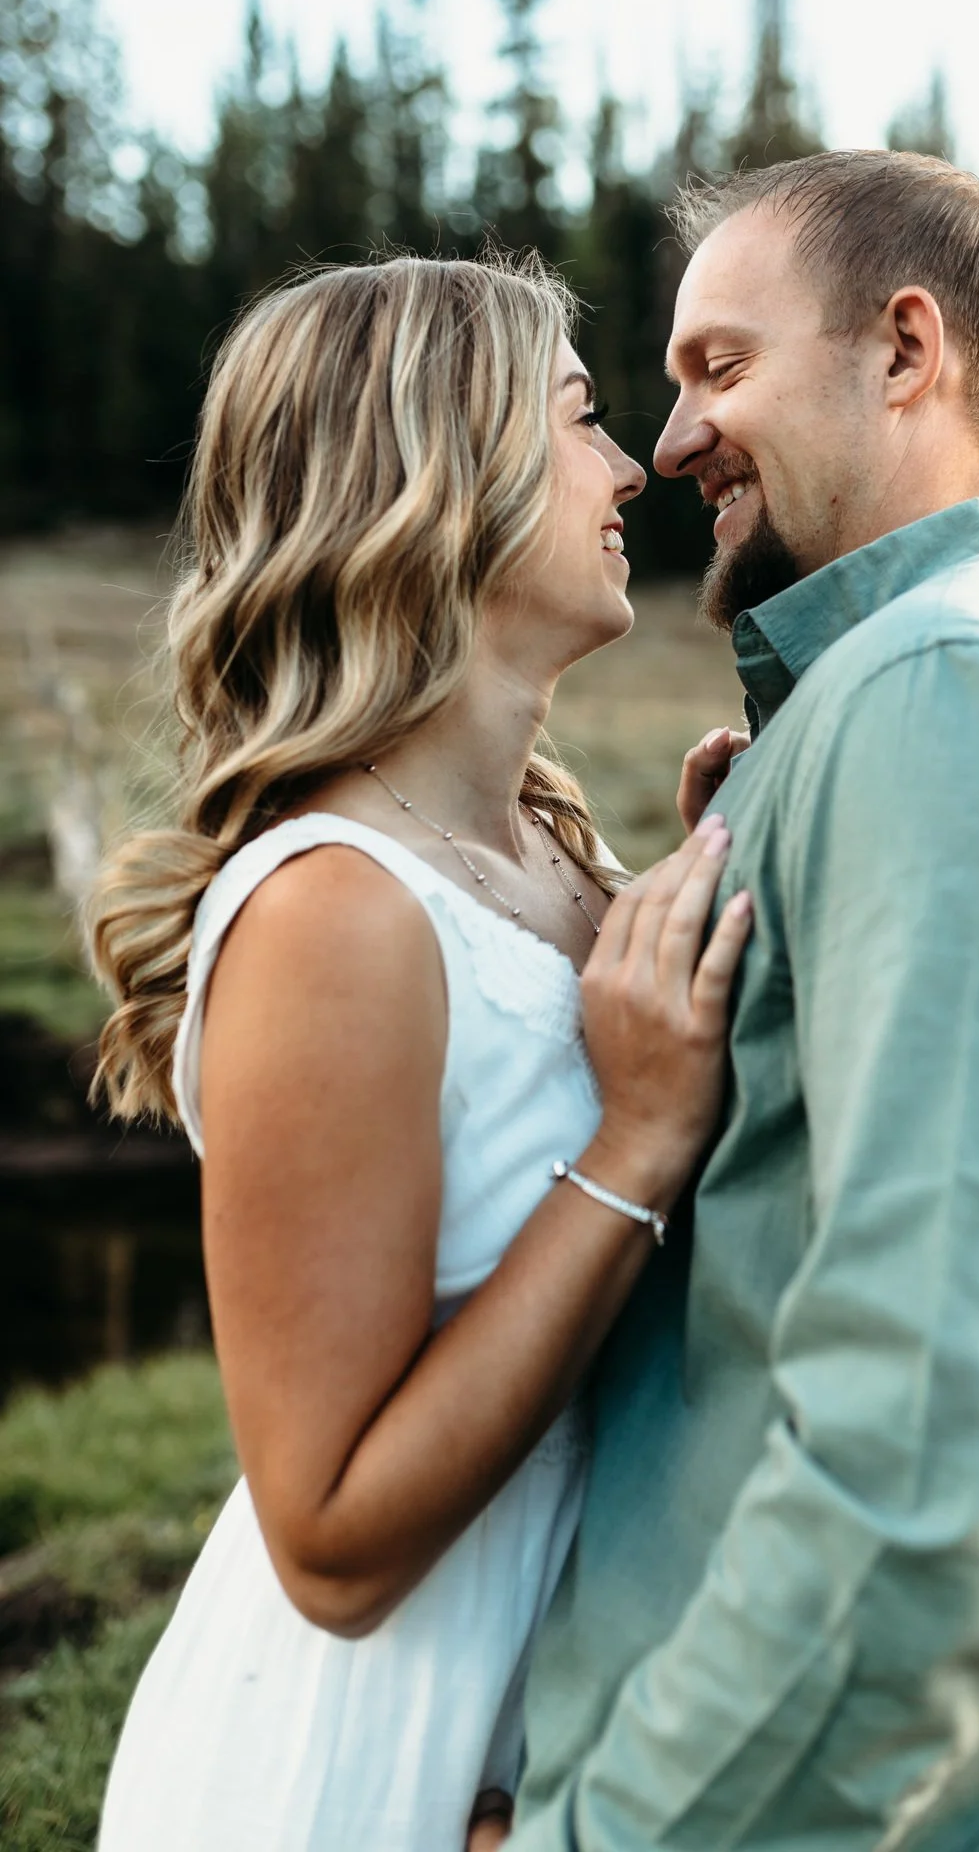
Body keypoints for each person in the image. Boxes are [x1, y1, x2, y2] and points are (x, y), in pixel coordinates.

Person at [510, 152, 979, 1851]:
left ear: (905, 353)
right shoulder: (879, 716)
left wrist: (597, 1835)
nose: (671, 439)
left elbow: (935, 1491)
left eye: (719, 368)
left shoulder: (965, 701)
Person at [90, 253, 752, 1852]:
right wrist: (637, 1142)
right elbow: (327, 1541)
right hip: (363, 1760)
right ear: (433, 476)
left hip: (546, 1732)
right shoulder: (335, 911)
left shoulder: (545, 853)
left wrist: (690, 892)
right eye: (582, 420)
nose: (629, 468)